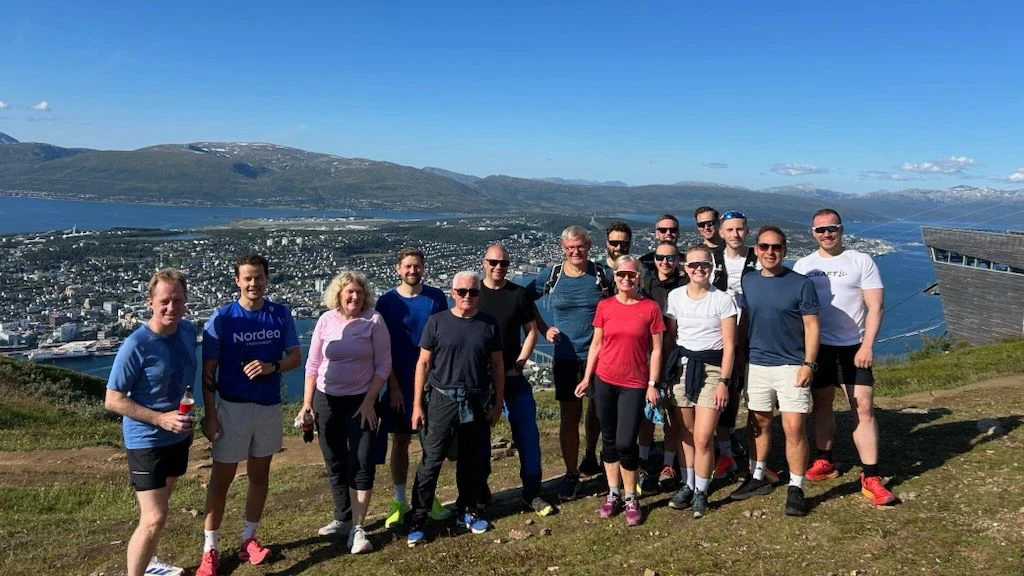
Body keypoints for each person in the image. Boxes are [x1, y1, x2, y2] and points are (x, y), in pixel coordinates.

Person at [197, 255, 302, 576]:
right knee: (221, 479)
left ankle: (248, 540)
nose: (253, 283)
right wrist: (210, 415)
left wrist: (273, 366)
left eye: (258, 277)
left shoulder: (279, 315)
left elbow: (296, 357)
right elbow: (208, 370)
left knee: (260, 475)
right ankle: (210, 549)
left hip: (269, 407)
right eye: (247, 278)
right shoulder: (222, 319)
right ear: (237, 281)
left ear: (267, 279)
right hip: (232, 408)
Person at [794, 209, 896, 506]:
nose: (826, 234)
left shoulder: (861, 260)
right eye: (820, 230)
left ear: (841, 229)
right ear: (812, 232)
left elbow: (875, 307)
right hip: (819, 347)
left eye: (832, 228)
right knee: (822, 404)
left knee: (863, 407)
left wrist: (867, 345)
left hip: (854, 347)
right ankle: (825, 460)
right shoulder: (804, 265)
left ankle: (871, 476)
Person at [105, 269, 196, 576]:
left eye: (178, 300)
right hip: (147, 441)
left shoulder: (186, 331)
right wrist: (160, 418)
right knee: (154, 517)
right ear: (150, 303)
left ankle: (151, 563)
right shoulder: (137, 344)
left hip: (178, 437)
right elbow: (113, 399)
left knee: (158, 510)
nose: (172, 307)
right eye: (165, 301)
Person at [406, 271, 504, 546]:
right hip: (441, 399)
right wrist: (417, 405)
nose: (467, 297)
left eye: (473, 292)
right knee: (431, 461)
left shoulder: (488, 324)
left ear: (479, 295)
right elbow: (422, 364)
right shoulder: (437, 322)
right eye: (462, 292)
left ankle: (467, 509)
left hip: (476, 400)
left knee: (472, 461)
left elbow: (497, 366)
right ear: (452, 293)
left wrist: (497, 403)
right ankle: (419, 517)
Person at [729, 226, 819, 517]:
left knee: (794, 427)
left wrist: (809, 363)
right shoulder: (749, 281)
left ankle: (796, 487)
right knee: (759, 423)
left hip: (792, 365)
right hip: (756, 364)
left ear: (785, 250)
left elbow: (812, 327)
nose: (770, 252)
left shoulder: (801, 283)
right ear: (756, 249)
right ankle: (758, 476)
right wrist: (740, 358)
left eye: (776, 247)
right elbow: (745, 322)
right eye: (765, 246)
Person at [300, 271, 391, 554]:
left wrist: (368, 401)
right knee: (334, 460)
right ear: (338, 295)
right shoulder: (325, 321)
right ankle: (343, 517)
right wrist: (307, 404)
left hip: (361, 401)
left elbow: (383, 366)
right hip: (327, 400)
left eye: (359, 293)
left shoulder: (374, 320)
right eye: (349, 292)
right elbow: (312, 365)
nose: (355, 297)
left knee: (361, 460)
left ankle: (359, 528)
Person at [575, 255, 664, 527]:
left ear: (639, 277)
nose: (626, 278)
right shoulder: (605, 306)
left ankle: (631, 497)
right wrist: (587, 377)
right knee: (610, 441)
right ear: (614, 278)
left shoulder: (650, 308)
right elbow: (597, 344)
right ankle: (614, 493)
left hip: (634, 384)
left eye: (632, 274)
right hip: (605, 380)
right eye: (621, 274)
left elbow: (657, 349)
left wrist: (653, 384)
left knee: (627, 442)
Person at [530, 225, 610, 502]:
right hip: (566, 357)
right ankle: (570, 472)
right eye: (570, 248)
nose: (576, 252)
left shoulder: (601, 276)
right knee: (569, 414)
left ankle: (592, 456)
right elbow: (523, 301)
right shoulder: (551, 276)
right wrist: (543, 329)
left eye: (581, 247)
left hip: (599, 355)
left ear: (589, 247)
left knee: (599, 411)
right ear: (563, 249)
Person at [374, 247, 452, 528]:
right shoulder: (386, 302)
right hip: (399, 382)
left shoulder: (435, 298)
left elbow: (445, 338)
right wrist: (392, 386)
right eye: (407, 266)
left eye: (416, 266)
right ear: (398, 269)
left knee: (431, 444)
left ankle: (427, 496)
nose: (412, 271)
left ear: (423, 268)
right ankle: (399, 499)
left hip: (432, 384)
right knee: (401, 442)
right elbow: (382, 349)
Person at [477, 244, 556, 516]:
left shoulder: (518, 294)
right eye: (493, 262)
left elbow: (531, 331)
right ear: (484, 263)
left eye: (504, 263)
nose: (499, 267)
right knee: (479, 437)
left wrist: (521, 362)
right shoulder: (473, 295)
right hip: (483, 381)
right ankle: (480, 491)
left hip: (512, 375)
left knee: (527, 434)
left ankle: (532, 491)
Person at [664, 245, 738, 518]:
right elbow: (672, 338)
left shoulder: (723, 300)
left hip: (712, 370)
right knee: (686, 433)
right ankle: (688, 483)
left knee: (703, 436)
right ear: (685, 268)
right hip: (682, 369)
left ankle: (701, 491)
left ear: (712, 267)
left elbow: (730, 345)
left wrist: (724, 382)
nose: (698, 269)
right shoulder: (675, 297)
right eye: (693, 265)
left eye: (704, 265)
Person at [638, 240, 687, 492]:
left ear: (678, 259)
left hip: (676, 357)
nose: (665, 263)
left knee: (672, 414)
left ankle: (668, 464)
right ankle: (644, 460)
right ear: (653, 259)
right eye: (660, 258)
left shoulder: (685, 286)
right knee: (647, 413)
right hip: (647, 357)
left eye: (670, 258)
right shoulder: (645, 286)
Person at [717, 210, 760, 477]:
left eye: (740, 229)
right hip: (720, 335)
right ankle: (725, 442)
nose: (735, 234)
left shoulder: (758, 257)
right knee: (727, 386)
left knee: (750, 389)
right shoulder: (711, 260)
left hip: (754, 332)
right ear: (721, 232)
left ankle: (753, 449)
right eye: (730, 230)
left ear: (747, 231)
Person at [603, 220, 633, 285]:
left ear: (629, 243)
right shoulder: (597, 270)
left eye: (623, 243)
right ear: (607, 243)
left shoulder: (638, 271)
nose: (618, 248)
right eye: (613, 243)